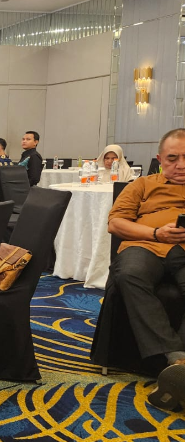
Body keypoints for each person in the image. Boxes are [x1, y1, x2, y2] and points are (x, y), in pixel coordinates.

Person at [107, 128, 185, 410]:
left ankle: (179, 371)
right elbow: (115, 223)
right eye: (173, 158)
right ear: (160, 159)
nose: (181, 165)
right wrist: (155, 233)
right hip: (145, 244)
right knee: (129, 274)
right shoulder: (142, 184)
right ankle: (177, 358)